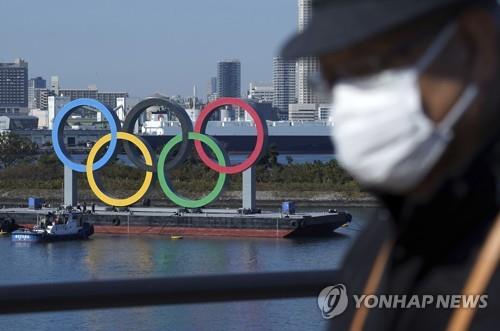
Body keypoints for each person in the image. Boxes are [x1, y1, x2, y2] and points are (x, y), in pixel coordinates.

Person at [282, 0, 499, 330]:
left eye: (372, 65)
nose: (353, 101)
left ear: (477, 44)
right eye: (333, 77)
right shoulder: (380, 243)